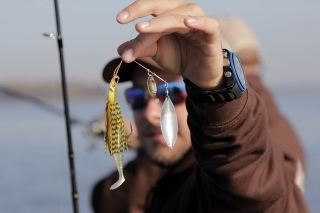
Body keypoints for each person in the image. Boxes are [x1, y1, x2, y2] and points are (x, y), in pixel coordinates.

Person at [91, 1, 309, 212]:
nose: (149, 114)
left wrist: (215, 91)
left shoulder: (221, 184)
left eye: (173, 94)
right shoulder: (163, 172)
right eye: (136, 97)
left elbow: (251, 184)